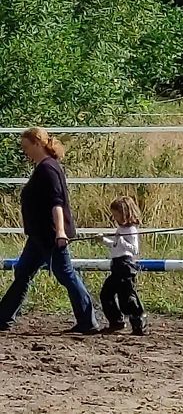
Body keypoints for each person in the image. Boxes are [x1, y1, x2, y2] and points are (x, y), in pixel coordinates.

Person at [0, 127, 99, 334]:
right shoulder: (45, 167)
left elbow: (57, 203)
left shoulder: (47, 169)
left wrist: (60, 231)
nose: (24, 151)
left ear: (37, 143)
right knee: (23, 271)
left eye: (26, 147)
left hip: (49, 235)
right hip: (39, 236)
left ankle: (88, 320)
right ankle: (4, 317)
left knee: (65, 274)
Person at [98, 195, 147, 335]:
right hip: (117, 265)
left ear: (124, 213)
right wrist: (104, 240)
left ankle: (138, 321)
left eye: (116, 214)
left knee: (127, 297)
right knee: (106, 294)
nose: (114, 218)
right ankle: (116, 321)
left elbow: (134, 249)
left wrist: (121, 241)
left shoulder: (131, 230)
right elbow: (116, 245)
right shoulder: (121, 229)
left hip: (126, 266)